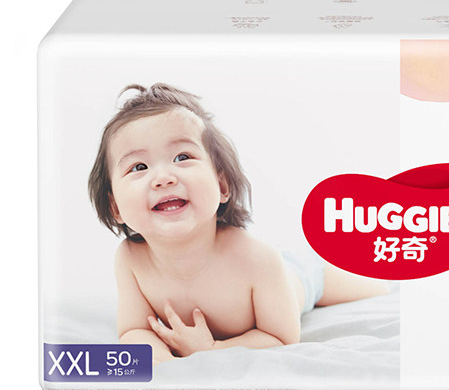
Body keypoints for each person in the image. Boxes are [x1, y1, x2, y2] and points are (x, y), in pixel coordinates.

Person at [88, 83, 387, 363]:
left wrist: (212, 350)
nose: (163, 177)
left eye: (182, 156)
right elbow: (134, 330)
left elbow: (280, 337)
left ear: (222, 185)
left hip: (298, 275)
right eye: (139, 166)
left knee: (379, 289)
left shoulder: (258, 260)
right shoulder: (131, 258)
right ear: (115, 207)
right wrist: (162, 364)